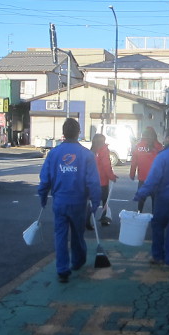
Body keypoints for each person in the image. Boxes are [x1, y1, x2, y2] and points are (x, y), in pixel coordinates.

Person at [38, 118, 101, 283]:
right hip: (78, 202)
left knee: (60, 235)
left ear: (63, 134)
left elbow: (45, 179)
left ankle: (62, 269)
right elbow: (93, 181)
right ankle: (78, 261)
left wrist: (43, 196)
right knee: (77, 234)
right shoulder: (86, 155)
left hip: (59, 201)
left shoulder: (54, 153)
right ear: (79, 133)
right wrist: (95, 202)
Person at [133, 127, 169, 269]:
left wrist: (141, 193)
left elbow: (153, 179)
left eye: (165, 137)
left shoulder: (163, 156)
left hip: (165, 197)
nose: (163, 139)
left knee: (158, 225)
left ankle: (158, 256)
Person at [129, 127, 163, 213]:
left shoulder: (138, 146)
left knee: (141, 199)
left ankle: (139, 214)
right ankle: (155, 217)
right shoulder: (159, 147)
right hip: (156, 179)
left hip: (143, 178)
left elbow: (134, 162)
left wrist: (132, 174)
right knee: (155, 200)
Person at [90, 133, 118, 226]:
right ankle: (104, 219)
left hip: (93, 180)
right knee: (104, 200)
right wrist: (112, 176)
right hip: (102, 181)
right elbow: (107, 166)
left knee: (93, 200)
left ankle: (88, 218)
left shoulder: (92, 151)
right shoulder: (104, 150)